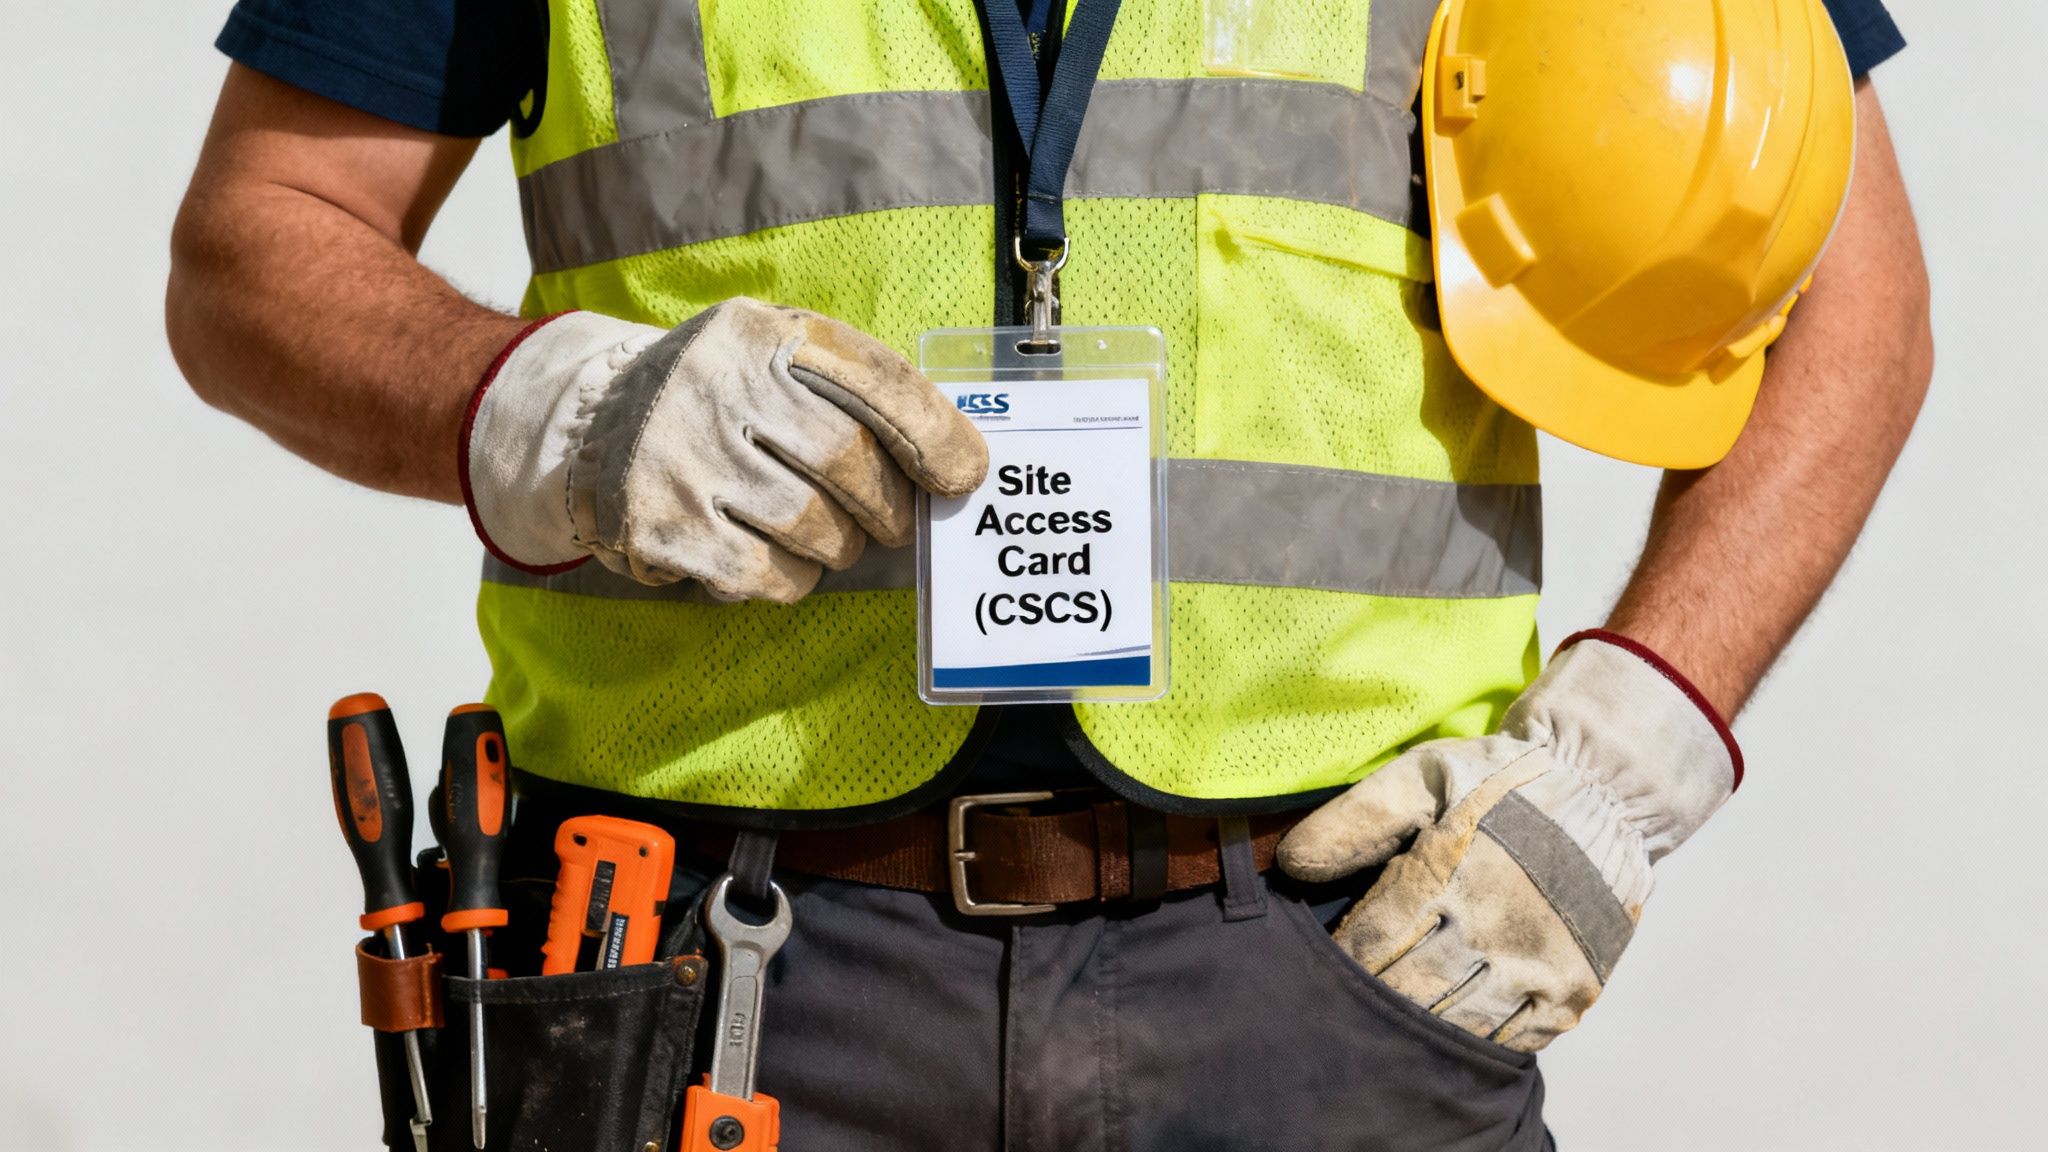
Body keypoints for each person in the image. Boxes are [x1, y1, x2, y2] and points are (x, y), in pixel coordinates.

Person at [166, 1, 1928, 1148]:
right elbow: (259, 245)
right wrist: (545, 411)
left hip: (1338, 971)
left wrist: (1626, 759)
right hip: (712, 982)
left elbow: (1850, 299)